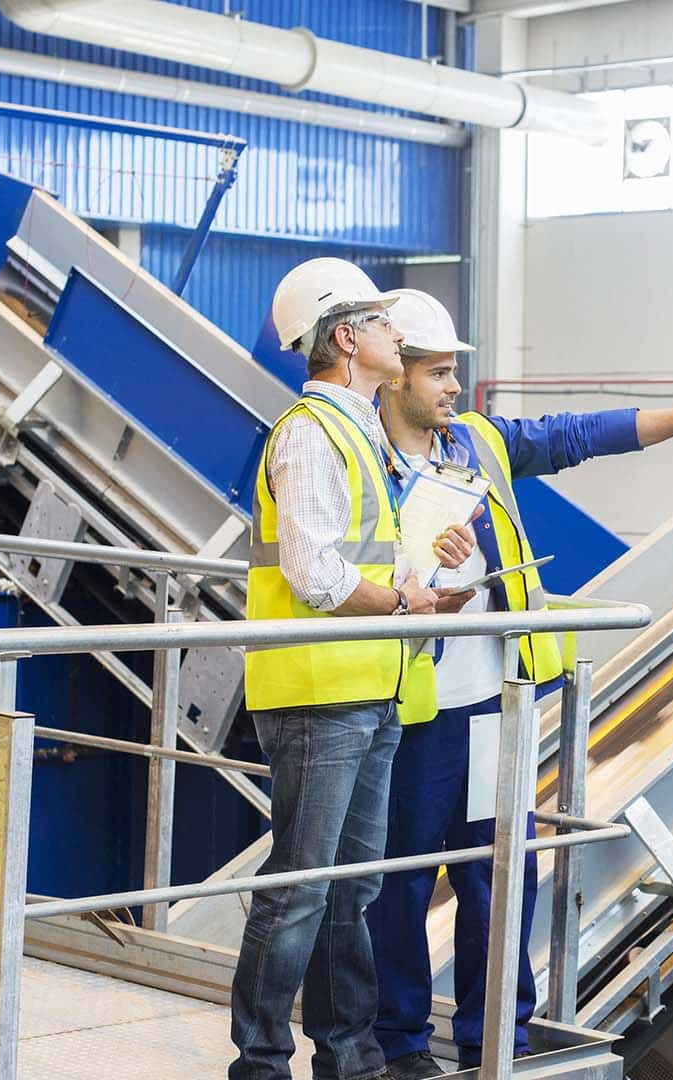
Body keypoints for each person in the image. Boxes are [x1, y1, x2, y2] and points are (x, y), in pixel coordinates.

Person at [365, 288, 673, 1079]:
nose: (455, 388)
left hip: (491, 703)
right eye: (440, 374)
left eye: (455, 373)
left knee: (499, 875)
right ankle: (402, 1047)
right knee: (400, 883)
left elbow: (578, 435)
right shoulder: (359, 454)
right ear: (393, 374)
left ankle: (498, 1041)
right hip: (410, 708)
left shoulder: (475, 441)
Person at [231, 260, 479, 1080]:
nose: (394, 336)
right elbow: (315, 572)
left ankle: (347, 1058)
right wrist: (402, 605)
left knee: (352, 891)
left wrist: (429, 571)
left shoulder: (360, 433)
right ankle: (261, 1065)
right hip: (315, 693)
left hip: (369, 688)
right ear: (345, 339)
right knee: (301, 887)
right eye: (379, 324)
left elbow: (367, 558)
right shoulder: (309, 433)